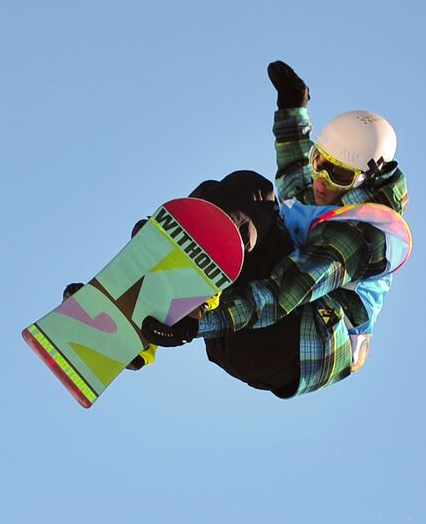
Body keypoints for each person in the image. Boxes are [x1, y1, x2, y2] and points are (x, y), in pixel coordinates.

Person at [137, 61, 412, 398]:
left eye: (338, 175)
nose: (322, 182)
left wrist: (199, 325)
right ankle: (140, 335)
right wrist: (292, 107)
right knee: (221, 198)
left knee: (254, 195)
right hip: (254, 334)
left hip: (294, 344)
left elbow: (287, 291)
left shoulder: (361, 233)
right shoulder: (319, 189)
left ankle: (191, 303)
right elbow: (295, 172)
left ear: (365, 178)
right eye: (319, 163)